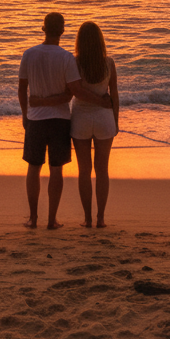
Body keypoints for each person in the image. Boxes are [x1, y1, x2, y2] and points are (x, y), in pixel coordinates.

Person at [18, 13, 111, 229]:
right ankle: (52, 220)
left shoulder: (29, 54)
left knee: (33, 167)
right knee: (56, 169)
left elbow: (22, 89)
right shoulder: (66, 57)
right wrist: (102, 101)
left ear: (43, 28)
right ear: (62, 30)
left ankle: (33, 218)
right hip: (60, 119)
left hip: (36, 119)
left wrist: (27, 111)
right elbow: (74, 91)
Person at [69, 21, 118, 228]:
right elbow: (114, 94)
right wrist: (115, 121)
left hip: (80, 117)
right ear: (100, 41)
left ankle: (87, 219)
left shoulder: (75, 63)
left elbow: (74, 91)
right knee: (102, 170)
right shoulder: (109, 63)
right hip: (104, 117)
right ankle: (101, 218)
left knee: (84, 170)